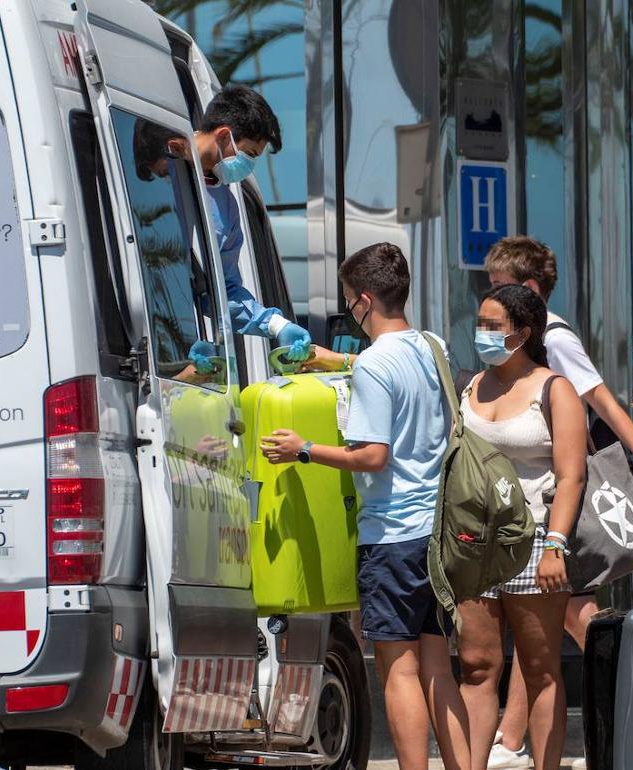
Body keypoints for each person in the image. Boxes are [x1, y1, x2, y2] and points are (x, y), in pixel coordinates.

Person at [259, 242, 472, 770]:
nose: (350, 310)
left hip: (394, 535)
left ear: (365, 300)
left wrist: (302, 449)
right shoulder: (432, 347)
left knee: (397, 671)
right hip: (438, 533)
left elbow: (372, 456)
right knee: (438, 669)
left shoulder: (376, 365)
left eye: (350, 300)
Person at [480, 237, 633, 770]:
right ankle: (511, 740)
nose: (492, 302)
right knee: (544, 629)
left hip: (563, 501)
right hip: (542, 504)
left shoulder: (551, 338)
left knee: (578, 620)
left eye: (501, 289)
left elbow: (599, 397)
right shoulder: (522, 346)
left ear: (529, 291)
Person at [455, 285, 587, 770]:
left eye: (493, 325)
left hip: (534, 540)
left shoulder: (554, 388)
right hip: (473, 545)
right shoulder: (469, 385)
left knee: (539, 668)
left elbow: (572, 474)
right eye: (480, 323)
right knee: (477, 667)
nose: (481, 333)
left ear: (523, 333)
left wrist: (556, 543)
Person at [135, 85, 311, 363]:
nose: (249, 165)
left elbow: (222, 291)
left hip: (175, 347)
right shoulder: (155, 160)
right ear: (223, 135)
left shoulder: (227, 207)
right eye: (250, 154)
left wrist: (277, 325)